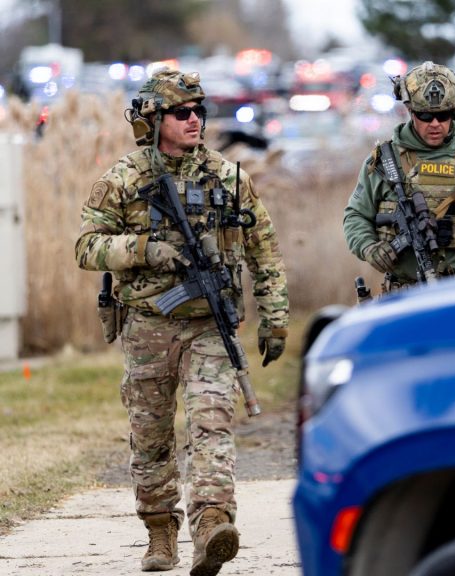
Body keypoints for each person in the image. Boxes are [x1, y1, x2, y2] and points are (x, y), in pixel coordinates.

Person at [74, 69, 289, 575]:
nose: (194, 119)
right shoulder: (124, 179)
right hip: (149, 324)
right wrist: (143, 249)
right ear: (154, 118)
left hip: (210, 326)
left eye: (199, 111)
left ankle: (213, 522)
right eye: (181, 112)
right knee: (150, 437)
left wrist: (274, 316)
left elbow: (266, 252)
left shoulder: (229, 178)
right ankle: (160, 531)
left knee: (211, 423)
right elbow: (86, 247)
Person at [344, 61, 455, 292]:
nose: (435, 124)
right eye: (425, 116)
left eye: (443, 115)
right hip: (406, 292)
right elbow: (356, 215)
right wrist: (368, 247)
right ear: (410, 111)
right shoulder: (384, 161)